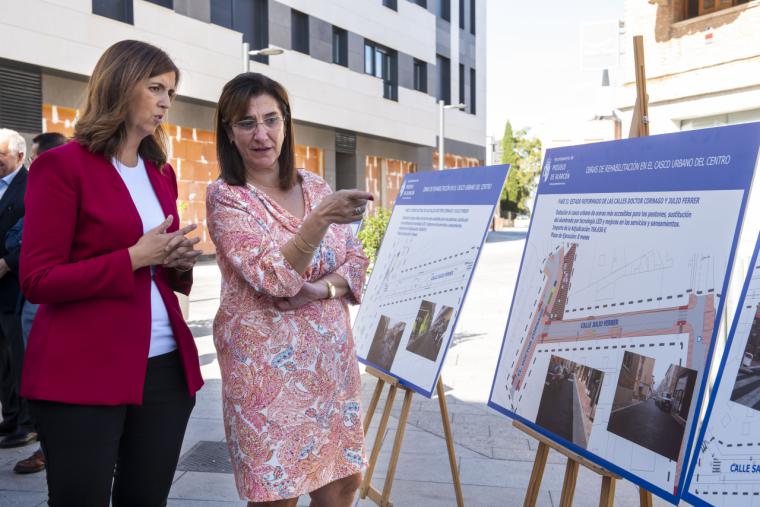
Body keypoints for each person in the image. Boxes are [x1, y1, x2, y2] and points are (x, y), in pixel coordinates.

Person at [20, 40, 203, 506]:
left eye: (171, 93)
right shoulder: (60, 167)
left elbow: (158, 268)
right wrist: (134, 258)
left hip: (164, 372)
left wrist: (175, 261)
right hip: (83, 369)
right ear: (121, 85)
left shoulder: (160, 171)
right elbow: (38, 280)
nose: (165, 102)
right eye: (156, 88)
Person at [206, 72, 372, 507]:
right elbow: (274, 277)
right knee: (277, 497)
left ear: (286, 123)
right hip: (266, 374)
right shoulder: (227, 197)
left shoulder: (314, 184)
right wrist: (318, 221)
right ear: (229, 131)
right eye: (246, 123)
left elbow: (356, 262)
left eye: (271, 119)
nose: (261, 133)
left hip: (330, 366)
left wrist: (320, 291)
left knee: (343, 482)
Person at [8, 132, 67, 474]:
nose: (31, 164)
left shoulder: (55, 186)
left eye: (35, 157)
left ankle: (49, 449)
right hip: (36, 298)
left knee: (46, 377)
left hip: (49, 299)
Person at [0, 128, 33, 449]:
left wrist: (8, 262)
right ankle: (9, 417)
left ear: (19, 157)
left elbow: (36, 232)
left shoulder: (32, 185)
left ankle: (26, 423)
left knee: (17, 356)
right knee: (1, 362)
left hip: (15, 286)